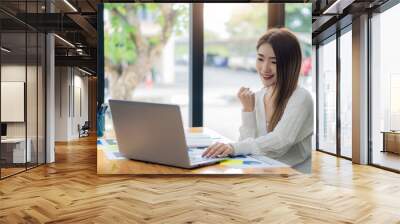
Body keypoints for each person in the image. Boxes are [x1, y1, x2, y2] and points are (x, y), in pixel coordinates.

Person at [202, 28, 314, 167]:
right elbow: (248, 146)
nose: (264, 68)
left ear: (290, 64)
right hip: (262, 171)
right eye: (260, 59)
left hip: (294, 176)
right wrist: (248, 110)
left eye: (274, 62)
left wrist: (234, 147)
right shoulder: (259, 96)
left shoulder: (301, 97)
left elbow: (280, 141)